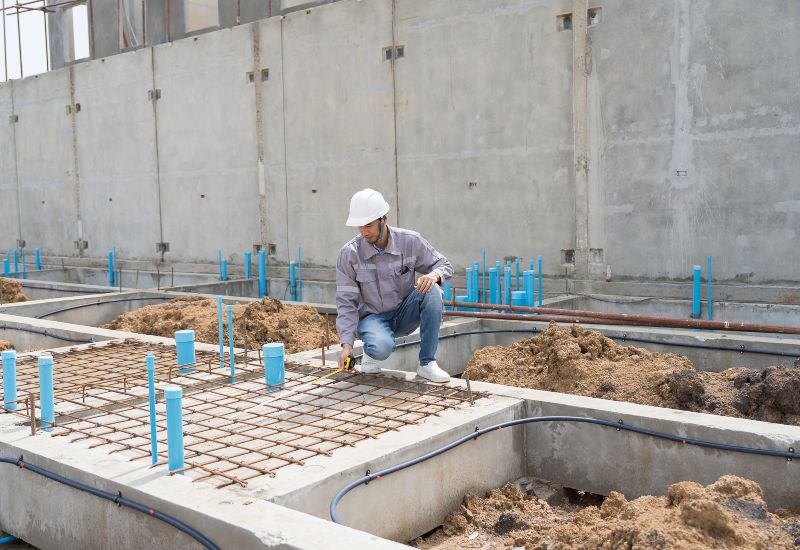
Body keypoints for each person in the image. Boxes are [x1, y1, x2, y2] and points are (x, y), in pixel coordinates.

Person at [335, 188, 453, 383]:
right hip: (373, 319)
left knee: (432, 289)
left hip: (404, 313)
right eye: (359, 226)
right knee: (380, 347)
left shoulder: (410, 241)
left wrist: (433, 275)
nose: (364, 232)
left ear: (384, 219)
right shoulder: (349, 254)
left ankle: (427, 364)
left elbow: (444, 265)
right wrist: (346, 345)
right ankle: (372, 351)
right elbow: (346, 302)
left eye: (369, 225)